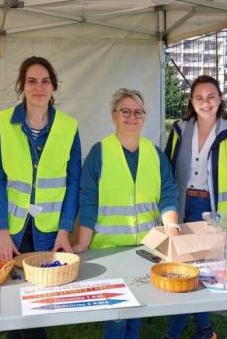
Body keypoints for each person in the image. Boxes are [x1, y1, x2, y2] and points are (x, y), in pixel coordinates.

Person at [0, 56, 81, 339]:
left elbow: (73, 181)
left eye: (45, 81)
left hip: (49, 229)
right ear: (22, 86)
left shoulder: (68, 126)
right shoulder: (2, 122)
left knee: (38, 303)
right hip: (10, 228)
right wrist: (1, 230)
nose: (38, 87)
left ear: (53, 86)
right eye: (31, 81)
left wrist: (65, 230)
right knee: (15, 299)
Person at [74, 88, 180, 339]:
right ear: (114, 116)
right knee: (117, 315)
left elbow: (168, 194)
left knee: (137, 308)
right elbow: (88, 199)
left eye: (138, 112)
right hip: (109, 249)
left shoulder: (155, 154)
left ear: (144, 117)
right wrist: (82, 242)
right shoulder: (99, 152)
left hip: (147, 247)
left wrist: (172, 228)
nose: (132, 117)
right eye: (125, 111)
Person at [164, 75, 227, 339]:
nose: (206, 102)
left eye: (211, 96)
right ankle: (205, 330)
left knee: (202, 271)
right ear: (192, 101)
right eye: (199, 97)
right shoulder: (179, 129)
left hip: (213, 209)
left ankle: (178, 334)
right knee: (184, 269)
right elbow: (167, 170)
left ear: (220, 98)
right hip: (182, 203)